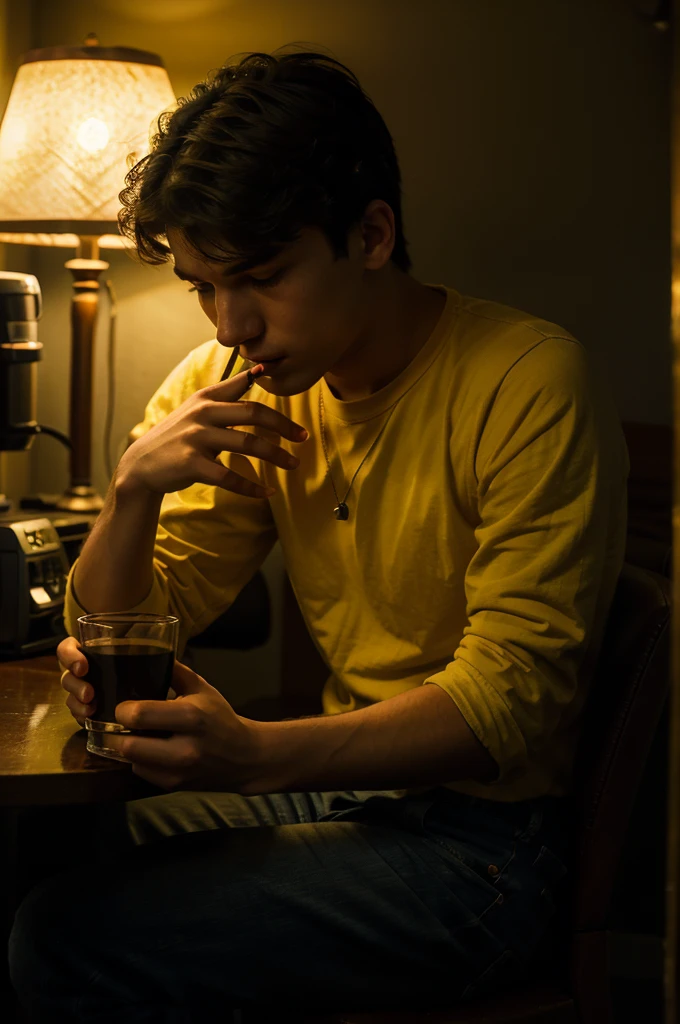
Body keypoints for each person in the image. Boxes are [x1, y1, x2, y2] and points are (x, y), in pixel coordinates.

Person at [9, 47, 628, 1023]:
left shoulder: (524, 379)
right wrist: (130, 495)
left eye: (258, 277)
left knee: (65, 936)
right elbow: (142, 617)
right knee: (37, 858)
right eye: (201, 285)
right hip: (340, 804)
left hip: (484, 848)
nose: (230, 322)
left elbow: (509, 700)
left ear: (371, 233)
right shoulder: (236, 379)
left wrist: (255, 754)